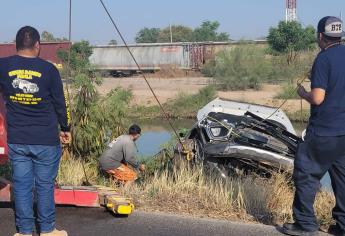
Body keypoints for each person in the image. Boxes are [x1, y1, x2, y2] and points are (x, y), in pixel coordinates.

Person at [0, 26, 71, 236]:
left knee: (21, 187)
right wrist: (65, 128)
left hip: (18, 139)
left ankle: (24, 232)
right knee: (44, 186)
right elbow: (59, 103)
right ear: (38, 45)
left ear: (16, 45)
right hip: (46, 139)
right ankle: (48, 231)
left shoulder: (3, 66)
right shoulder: (49, 70)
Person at [282, 16, 345, 236]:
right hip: (344, 133)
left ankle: (305, 224)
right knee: (342, 179)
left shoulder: (323, 58)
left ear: (321, 36)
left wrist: (303, 93)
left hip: (324, 132)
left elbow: (318, 98)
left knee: (306, 174)